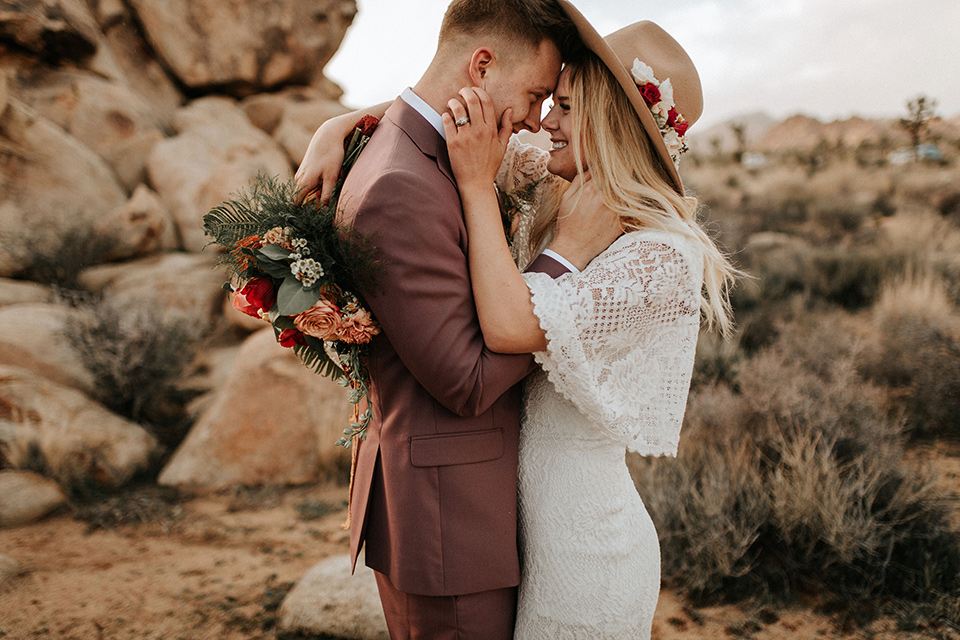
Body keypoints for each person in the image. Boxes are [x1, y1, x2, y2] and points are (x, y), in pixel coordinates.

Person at [438, 4, 739, 637]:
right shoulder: (552, 184)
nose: (545, 120)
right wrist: (345, 122)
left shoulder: (661, 254)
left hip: (585, 553)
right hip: (517, 535)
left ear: (609, 122)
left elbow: (512, 329)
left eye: (567, 107)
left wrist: (473, 191)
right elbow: (452, 111)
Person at [297, 2, 589, 639]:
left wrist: (343, 120)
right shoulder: (400, 185)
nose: (539, 118)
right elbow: (466, 381)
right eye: (537, 93)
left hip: (466, 506)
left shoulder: (422, 147)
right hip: (447, 519)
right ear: (481, 66)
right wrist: (566, 274)